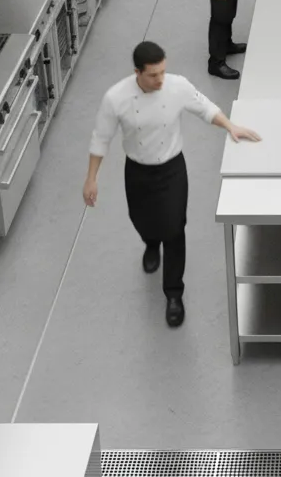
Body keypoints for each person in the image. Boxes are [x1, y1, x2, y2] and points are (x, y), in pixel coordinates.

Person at [83, 41, 261, 327]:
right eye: (153, 75)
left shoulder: (176, 86)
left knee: (175, 229)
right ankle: (151, 243)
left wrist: (230, 126)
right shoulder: (116, 98)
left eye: (163, 72)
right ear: (137, 72)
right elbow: (100, 138)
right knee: (140, 219)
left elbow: (205, 108)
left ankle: (174, 294)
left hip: (172, 169)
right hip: (137, 170)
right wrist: (91, 178)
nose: (160, 79)